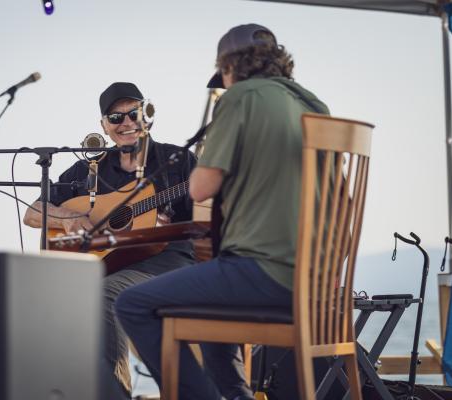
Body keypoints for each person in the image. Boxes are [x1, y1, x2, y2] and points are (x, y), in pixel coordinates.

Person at [115, 24, 330, 400]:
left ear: (230, 67)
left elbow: (201, 188)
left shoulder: (241, 97)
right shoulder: (313, 105)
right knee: (211, 305)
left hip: (265, 273)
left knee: (132, 304)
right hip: (316, 283)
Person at [23, 82, 197, 399]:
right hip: (107, 264)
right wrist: (68, 217)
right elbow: (33, 212)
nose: (126, 122)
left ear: (147, 115)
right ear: (104, 125)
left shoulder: (178, 160)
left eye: (134, 113)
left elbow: (210, 213)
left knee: (104, 292)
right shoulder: (89, 168)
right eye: (116, 118)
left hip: (169, 259)